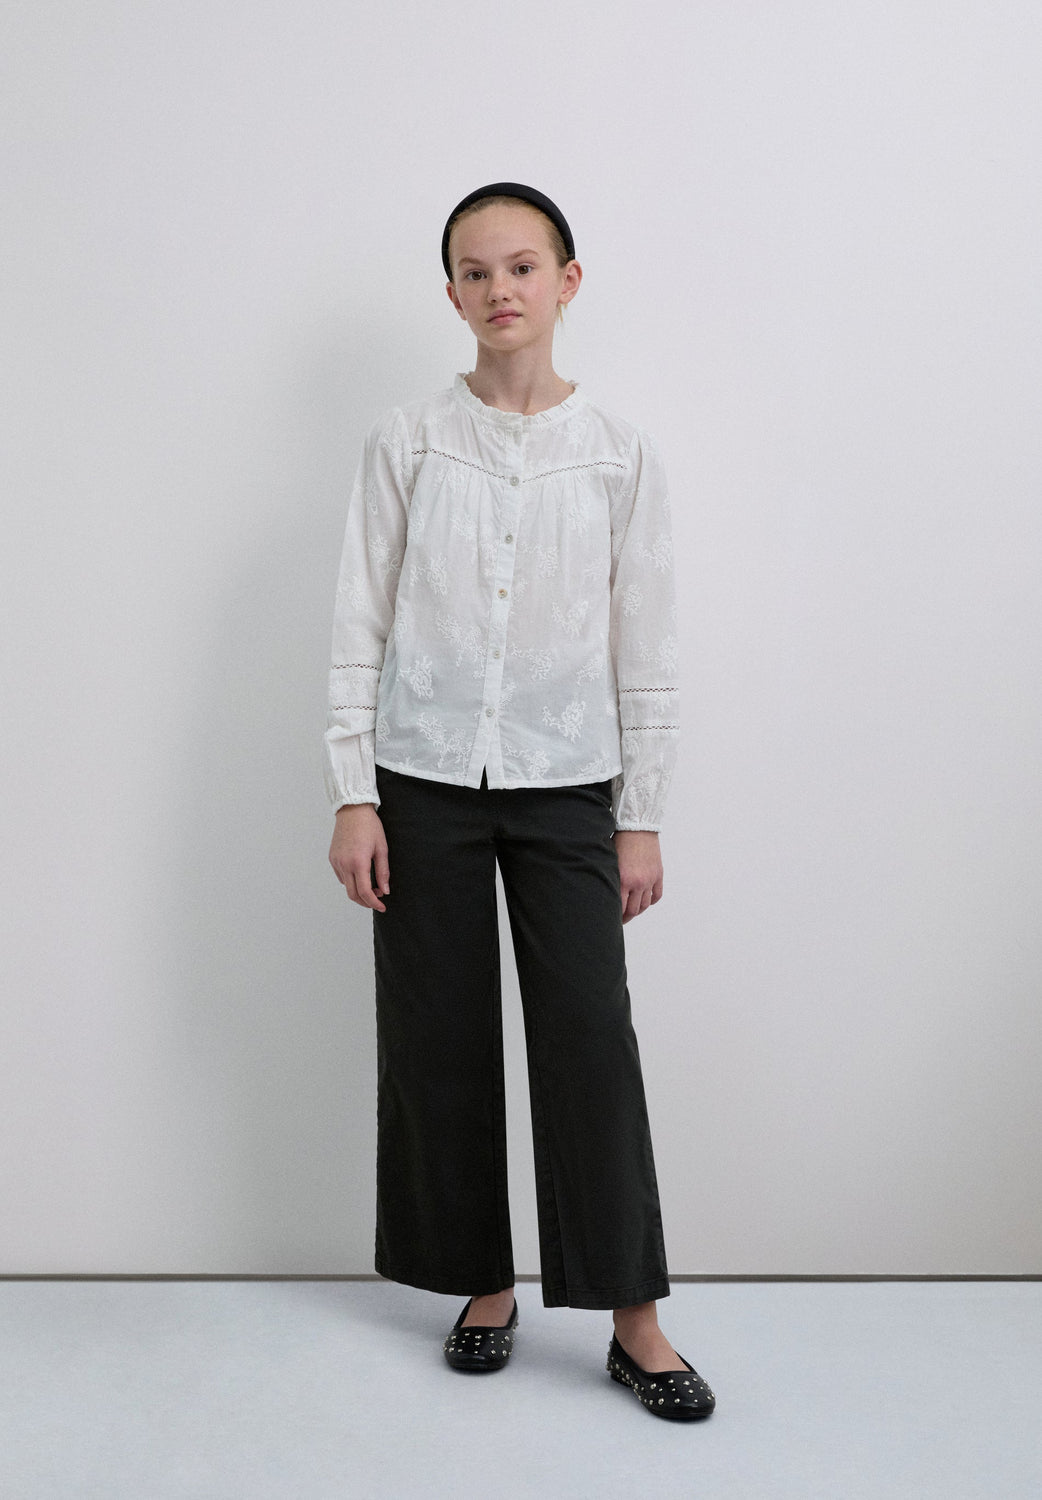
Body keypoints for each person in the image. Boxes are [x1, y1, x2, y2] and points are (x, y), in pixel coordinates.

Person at [324, 182, 714, 1420]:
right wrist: (352, 792)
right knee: (435, 1038)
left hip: (567, 783)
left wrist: (639, 812)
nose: (501, 289)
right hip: (421, 777)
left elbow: (645, 641)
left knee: (590, 1038)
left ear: (566, 281)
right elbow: (359, 622)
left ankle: (634, 1318)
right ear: (451, 295)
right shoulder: (407, 442)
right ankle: (481, 1283)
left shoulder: (618, 454)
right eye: (476, 271)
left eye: (523, 266)